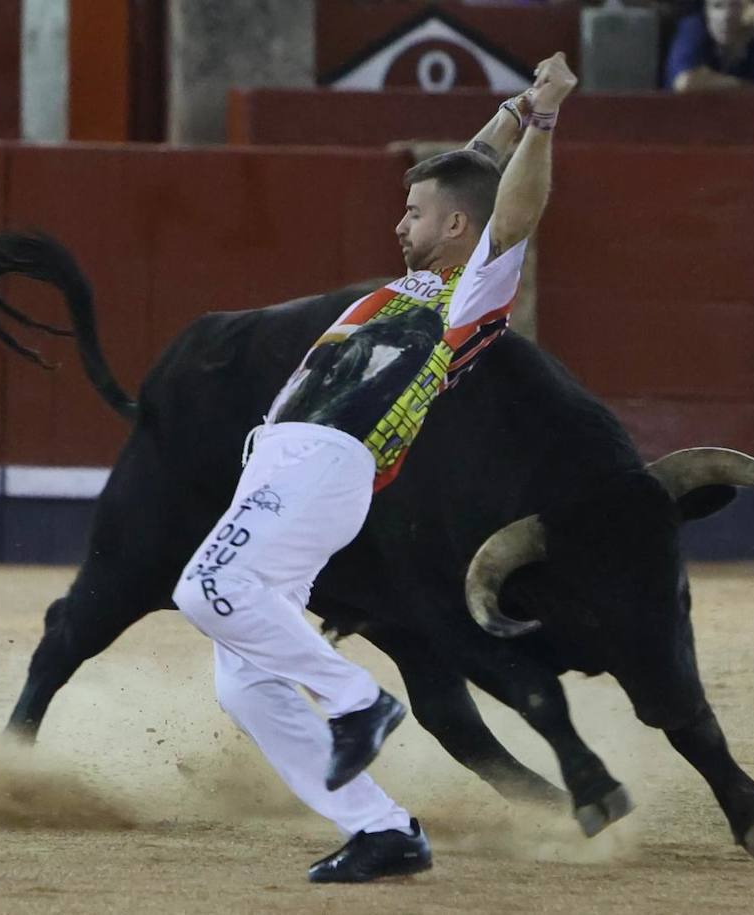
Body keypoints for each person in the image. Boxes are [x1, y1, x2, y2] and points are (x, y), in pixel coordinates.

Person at [170, 53, 579, 883]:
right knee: (246, 684)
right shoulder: (419, 281)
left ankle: (359, 699)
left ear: (456, 227)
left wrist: (545, 118)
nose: (399, 224)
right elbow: (471, 170)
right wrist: (513, 110)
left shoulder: (471, 289)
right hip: (285, 466)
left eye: (414, 213)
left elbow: (511, 210)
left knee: (206, 588)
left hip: (327, 456)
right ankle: (383, 829)